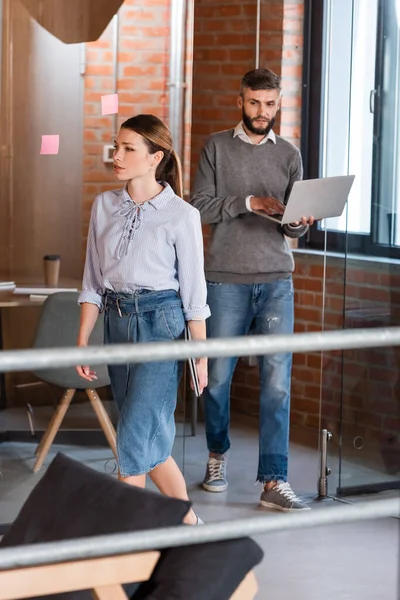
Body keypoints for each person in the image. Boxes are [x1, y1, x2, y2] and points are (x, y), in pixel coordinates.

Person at [76, 114, 210, 525]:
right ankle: (189, 525)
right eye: (117, 147)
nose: (117, 156)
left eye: (128, 149)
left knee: (133, 437)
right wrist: (82, 341)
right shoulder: (104, 206)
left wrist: (201, 356)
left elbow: (194, 296)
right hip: (116, 323)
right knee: (149, 440)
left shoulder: (182, 215)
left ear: (156, 157)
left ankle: (127, 541)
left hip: (161, 324)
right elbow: (92, 282)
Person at [191, 68, 314, 512]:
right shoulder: (217, 147)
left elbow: (294, 228)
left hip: (278, 279)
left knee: (277, 385)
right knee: (219, 378)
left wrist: (298, 222)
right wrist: (249, 203)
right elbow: (198, 207)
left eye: (271, 104)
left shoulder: (290, 154)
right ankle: (217, 456)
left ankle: (273, 482)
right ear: (240, 100)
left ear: (279, 104)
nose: (263, 112)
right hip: (225, 279)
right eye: (255, 103)